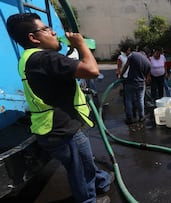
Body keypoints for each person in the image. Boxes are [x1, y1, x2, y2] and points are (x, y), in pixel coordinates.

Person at [6, 13, 112, 203]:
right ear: (33, 37)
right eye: (46, 29)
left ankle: (102, 181)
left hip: (51, 128)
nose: (54, 32)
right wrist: (81, 45)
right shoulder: (45, 58)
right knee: (79, 170)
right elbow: (92, 71)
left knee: (84, 161)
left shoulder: (28, 58)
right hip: (63, 129)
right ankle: (88, 200)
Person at [121, 51, 151, 124]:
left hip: (130, 81)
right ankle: (141, 117)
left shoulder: (133, 55)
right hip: (141, 83)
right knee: (140, 100)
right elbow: (147, 77)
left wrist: (121, 75)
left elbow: (126, 66)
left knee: (128, 99)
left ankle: (130, 118)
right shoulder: (148, 62)